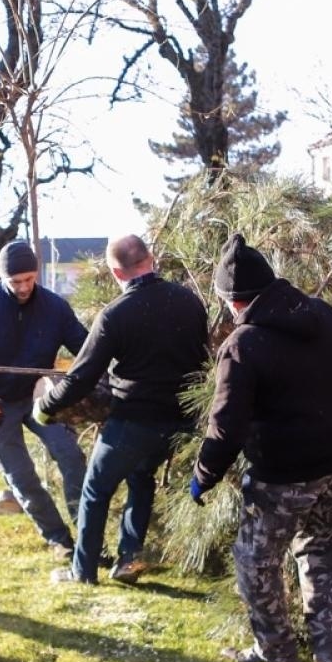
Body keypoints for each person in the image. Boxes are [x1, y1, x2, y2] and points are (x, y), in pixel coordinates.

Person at [190, 235, 332, 662]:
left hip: (282, 476)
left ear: (232, 301)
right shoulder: (319, 313)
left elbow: (226, 428)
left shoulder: (243, 344)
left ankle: (275, 649)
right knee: (318, 549)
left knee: (255, 561)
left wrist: (203, 475)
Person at [35, 233, 207, 585]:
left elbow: (81, 377)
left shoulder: (116, 314)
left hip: (134, 421)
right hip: (182, 420)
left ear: (115, 272)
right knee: (141, 479)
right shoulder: (189, 301)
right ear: (151, 257)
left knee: (95, 490)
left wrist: (46, 406)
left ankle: (82, 572)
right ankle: (129, 559)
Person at [0, 240, 89, 559]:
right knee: (21, 476)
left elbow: (86, 349)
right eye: (16, 281)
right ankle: (59, 539)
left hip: (41, 396)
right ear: (3, 278)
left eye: (29, 279)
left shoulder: (55, 307)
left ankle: (87, 533)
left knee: (71, 455)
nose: (24, 287)